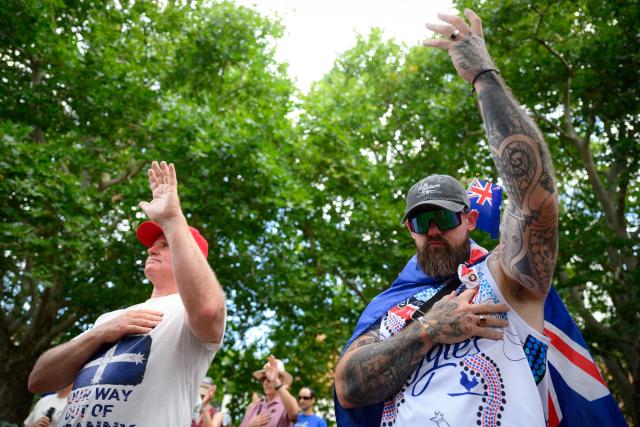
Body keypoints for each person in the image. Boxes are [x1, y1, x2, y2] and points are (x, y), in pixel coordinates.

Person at [334, 9, 559, 427]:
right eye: (422, 222)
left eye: (443, 217)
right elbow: (347, 388)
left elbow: (535, 201)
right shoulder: (387, 310)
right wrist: (427, 330)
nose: (434, 230)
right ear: (410, 231)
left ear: (470, 219)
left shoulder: (506, 277)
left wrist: (484, 77)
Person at [27, 161, 227, 427]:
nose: (150, 250)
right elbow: (38, 379)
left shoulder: (186, 315)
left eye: (165, 245)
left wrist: (172, 220)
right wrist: (99, 334)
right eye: (152, 245)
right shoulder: (110, 319)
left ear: (188, 258)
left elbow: (209, 309)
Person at [239, 355, 299, 427]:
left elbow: (295, 414)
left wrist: (276, 381)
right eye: (263, 379)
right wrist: (250, 425)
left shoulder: (287, 404)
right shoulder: (254, 406)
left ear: (281, 380)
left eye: (269, 378)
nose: (265, 382)